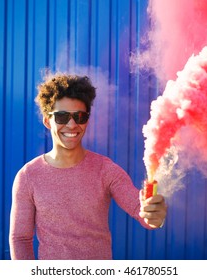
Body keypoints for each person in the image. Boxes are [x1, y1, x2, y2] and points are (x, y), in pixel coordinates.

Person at [9, 73, 167, 260]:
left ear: (87, 120)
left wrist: (155, 215)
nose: (72, 124)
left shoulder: (106, 170)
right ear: (47, 121)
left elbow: (141, 212)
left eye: (80, 116)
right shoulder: (28, 176)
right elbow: (20, 239)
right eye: (61, 117)